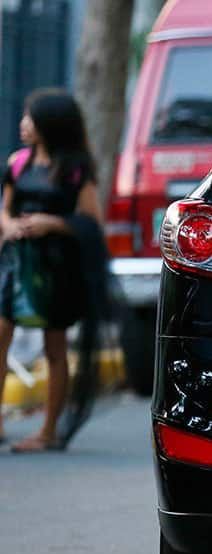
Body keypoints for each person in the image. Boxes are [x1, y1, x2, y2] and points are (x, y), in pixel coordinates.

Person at [0, 88, 101, 452]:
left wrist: (51, 222)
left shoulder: (75, 169)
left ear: (51, 125)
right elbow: (5, 209)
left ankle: (48, 431)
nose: (24, 124)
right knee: (1, 331)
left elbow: (91, 220)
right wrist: (9, 226)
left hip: (57, 268)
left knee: (54, 344)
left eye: (32, 118)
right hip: (17, 262)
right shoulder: (17, 163)